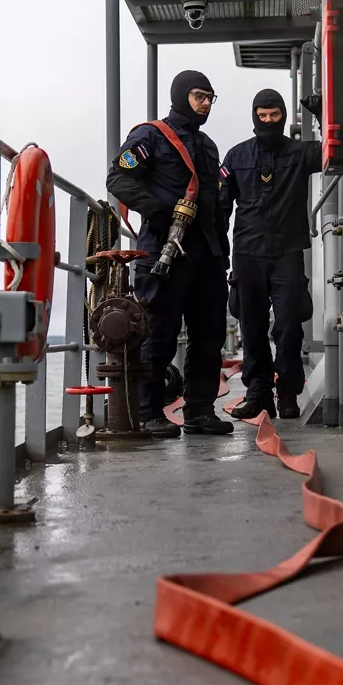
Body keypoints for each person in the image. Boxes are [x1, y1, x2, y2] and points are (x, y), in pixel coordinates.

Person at [106, 70, 235, 438]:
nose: (205, 103)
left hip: (207, 255)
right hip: (164, 250)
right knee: (158, 332)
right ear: (180, 96)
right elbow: (118, 178)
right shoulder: (150, 137)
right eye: (198, 96)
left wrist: (220, 246)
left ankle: (199, 410)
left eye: (210, 97)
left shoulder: (209, 147)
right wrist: (159, 211)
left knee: (209, 335)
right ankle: (149, 412)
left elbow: (217, 203)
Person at [219, 88, 321, 420]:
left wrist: (321, 114)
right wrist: (218, 253)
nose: (267, 121)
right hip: (247, 255)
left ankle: (288, 392)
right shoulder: (236, 157)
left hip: (288, 254)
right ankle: (259, 394)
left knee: (290, 326)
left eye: (273, 116)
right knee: (251, 327)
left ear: (283, 116)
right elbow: (220, 209)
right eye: (261, 116)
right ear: (254, 116)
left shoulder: (302, 153)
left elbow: (336, 149)